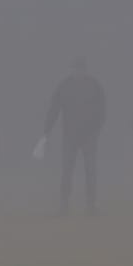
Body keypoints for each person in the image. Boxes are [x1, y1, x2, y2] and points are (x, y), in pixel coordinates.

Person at [39, 58, 107, 215]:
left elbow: (102, 110)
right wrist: (47, 130)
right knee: (67, 170)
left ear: (85, 69)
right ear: (71, 69)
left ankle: (91, 205)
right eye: (75, 69)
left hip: (89, 136)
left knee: (90, 170)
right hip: (69, 136)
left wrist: (96, 129)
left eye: (80, 69)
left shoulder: (94, 86)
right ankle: (64, 205)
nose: (78, 72)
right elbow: (54, 109)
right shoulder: (64, 86)